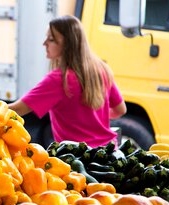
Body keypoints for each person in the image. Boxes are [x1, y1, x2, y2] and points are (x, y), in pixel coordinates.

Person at [8, 15, 127, 148]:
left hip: (77, 157)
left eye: (51, 39)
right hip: (108, 152)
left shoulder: (59, 79)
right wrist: (94, 118)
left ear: (67, 45)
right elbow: (120, 110)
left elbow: (17, 109)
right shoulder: (101, 70)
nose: (44, 43)